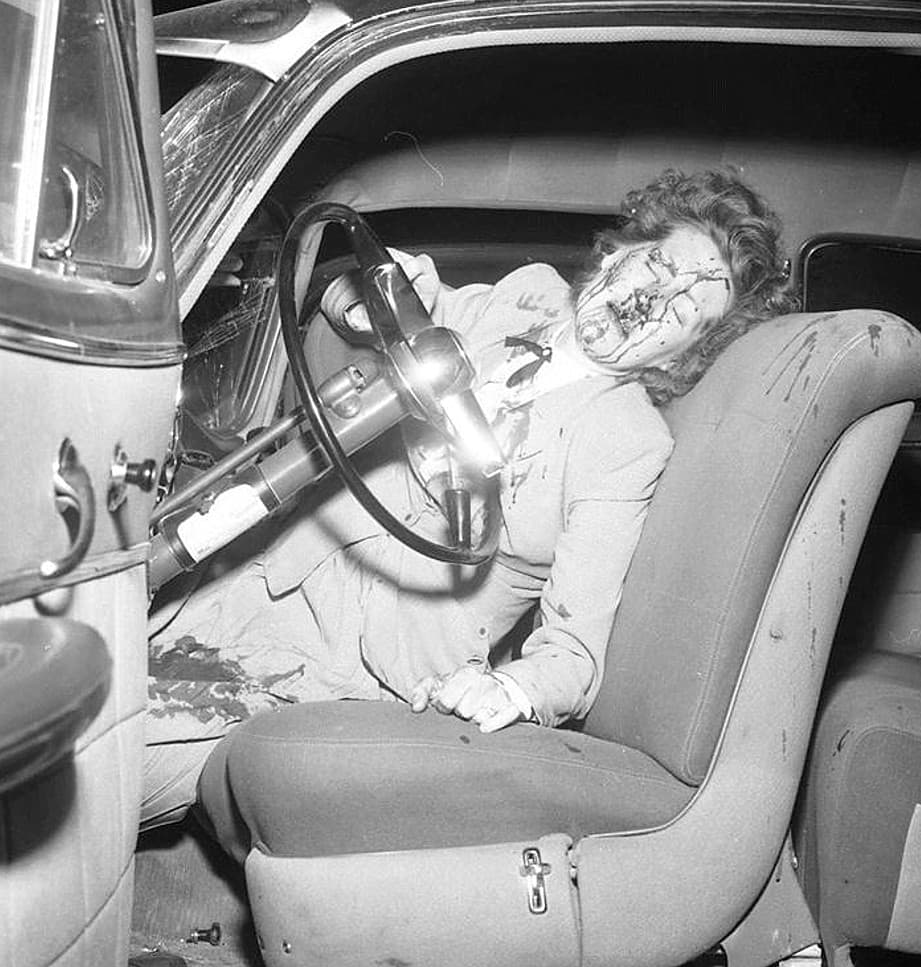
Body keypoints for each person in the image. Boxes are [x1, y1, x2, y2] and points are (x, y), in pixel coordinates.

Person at [142, 167, 796, 828]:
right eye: (656, 264)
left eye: (681, 312)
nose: (650, 299)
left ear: (679, 358)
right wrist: (359, 303)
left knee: (105, 769)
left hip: (342, 670)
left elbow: (574, 653)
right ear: (616, 253)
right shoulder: (525, 297)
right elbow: (390, 296)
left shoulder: (625, 445)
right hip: (262, 568)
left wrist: (509, 688)